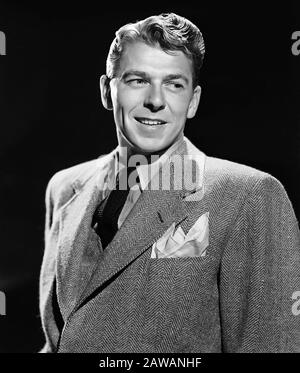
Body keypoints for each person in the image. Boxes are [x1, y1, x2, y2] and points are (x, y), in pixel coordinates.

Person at [39, 13, 300, 353]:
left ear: (192, 100)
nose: (156, 100)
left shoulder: (248, 195)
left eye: (174, 84)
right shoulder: (65, 188)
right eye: (137, 80)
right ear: (107, 90)